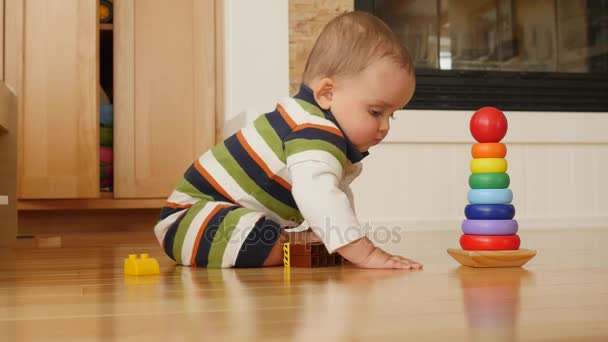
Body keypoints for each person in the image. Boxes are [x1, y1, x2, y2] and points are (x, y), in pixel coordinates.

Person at [154, 11, 422, 270]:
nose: (385, 127)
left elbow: (335, 196)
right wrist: (365, 253)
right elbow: (319, 194)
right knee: (270, 244)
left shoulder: (313, 124)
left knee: (288, 236)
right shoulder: (312, 129)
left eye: (392, 116)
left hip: (220, 220)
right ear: (327, 93)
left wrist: (344, 240)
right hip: (194, 221)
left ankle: (299, 242)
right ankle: (294, 245)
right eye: (376, 112)